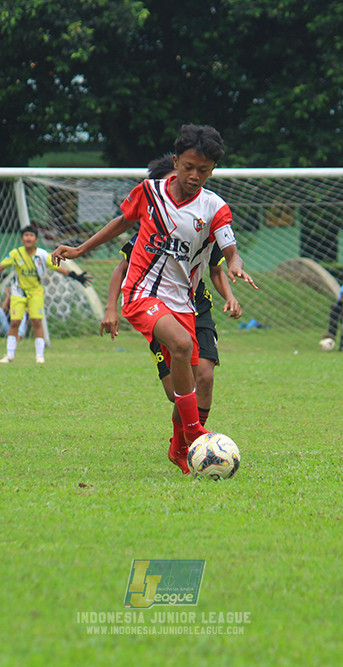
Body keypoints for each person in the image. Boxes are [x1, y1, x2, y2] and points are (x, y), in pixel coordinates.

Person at [52, 124, 257, 473]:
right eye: (189, 167)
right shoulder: (149, 193)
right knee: (179, 345)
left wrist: (236, 264)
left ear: (213, 171)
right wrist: (82, 249)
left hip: (185, 303)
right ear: (176, 162)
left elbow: (229, 249)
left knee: (194, 379)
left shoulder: (214, 207)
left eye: (203, 171)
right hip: (141, 292)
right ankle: (194, 433)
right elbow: (120, 223)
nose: (194, 176)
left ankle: (180, 449)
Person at [101, 154, 242, 472]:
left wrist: (230, 294)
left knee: (203, 376)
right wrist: (111, 308)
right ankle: (192, 437)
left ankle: (186, 446)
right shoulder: (147, 229)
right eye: (180, 174)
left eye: (200, 172)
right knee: (175, 390)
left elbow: (220, 264)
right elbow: (121, 269)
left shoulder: (208, 216)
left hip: (195, 304)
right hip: (154, 304)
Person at [0, 225, 91, 364]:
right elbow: (1, 267)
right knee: (14, 322)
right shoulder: (16, 254)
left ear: (36, 239)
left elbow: (58, 268)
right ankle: (9, 355)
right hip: (18, 292)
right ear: (22, 238)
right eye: (26, 235)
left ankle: (39, 356)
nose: (28, 238)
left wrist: (76, 276)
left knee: (37, 322)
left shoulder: (42, 255)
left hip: (35, 292)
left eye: (31, 235)